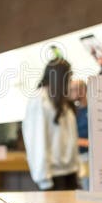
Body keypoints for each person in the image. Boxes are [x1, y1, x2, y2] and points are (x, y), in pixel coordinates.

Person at [22, 59, 80, 191]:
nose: (70, 83)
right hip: (52, 177)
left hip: (69, 172)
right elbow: (37, 141)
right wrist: (44, 179)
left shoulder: (63, 101)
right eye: (69, 77)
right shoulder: (39, 99)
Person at [69, 79, 90, 190]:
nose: (70, 93)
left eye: (73, 90)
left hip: (89, 156)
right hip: (76, 156)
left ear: (82, 90)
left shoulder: (92, 110)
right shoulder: (72, 111)